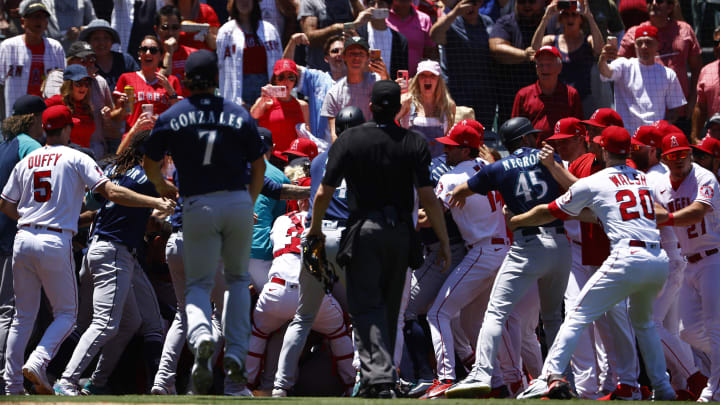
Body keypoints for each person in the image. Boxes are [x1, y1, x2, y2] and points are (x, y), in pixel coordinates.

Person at [0, 104, 174, 396]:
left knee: (23, 317)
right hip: (55, 240)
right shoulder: (75, 156)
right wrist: (155, 203)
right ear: (67, 128)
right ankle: (42, 363)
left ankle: (12, 383)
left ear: (45, 129)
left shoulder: (28, 160)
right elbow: (111, 192)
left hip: (23, 238)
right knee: (68, 315)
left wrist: (31, 220)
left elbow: (5, 205)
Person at [508, 126, 676, 401]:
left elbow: (549, 211)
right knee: (644, 325)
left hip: (627, 257)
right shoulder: (642, 178)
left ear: (602, 149)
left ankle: (549, 376)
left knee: (576, 315)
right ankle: (663, 387)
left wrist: (517, 220)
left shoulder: (596, 180)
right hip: (657, 260)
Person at [305, 80, 451, 398]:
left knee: (366, 308)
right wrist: (442, 240)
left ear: (371, 105)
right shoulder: (414, 142)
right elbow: (428, 198)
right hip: (401, 234)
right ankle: (383, 377)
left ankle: (378, 378)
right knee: (390, 309)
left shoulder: (351, 139)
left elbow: (322, 193)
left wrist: (315, 229)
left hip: (364, 232)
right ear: (399, 106)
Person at [143, 49, 267, 395]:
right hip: (237, 201)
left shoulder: (173, 114)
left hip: (196, 205)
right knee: (238, 282)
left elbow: (150, 161)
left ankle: (201, 338)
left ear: (185, 80)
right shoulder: (239, 114)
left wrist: (162, 186)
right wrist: (249, 202)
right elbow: (258, 167)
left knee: (197, 286)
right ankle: (236, 362)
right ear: (216, 79)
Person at [440, 116, 571, 398]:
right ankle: (555, 377)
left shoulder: (498, 167)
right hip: (561, 245)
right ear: (524, 139)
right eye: (532, 136)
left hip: (527, 245)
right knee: (552, 318)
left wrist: (461, 194)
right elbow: (574, 187)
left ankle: (482, 372)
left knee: (495, 313)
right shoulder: (550, 158)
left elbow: (462, 190)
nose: (536, 139)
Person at [52, 130, 165, 396]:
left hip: (99, 249)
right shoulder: (147, 175)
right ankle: (66, 380)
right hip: (114, 252)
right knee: (104, 323)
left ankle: (96, 382)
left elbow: (92, 204)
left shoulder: (115, 169)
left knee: (129, 321)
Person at [272, 106, 364, 398]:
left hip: (313, 239)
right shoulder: (367, 159)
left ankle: (279, 386)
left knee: (303, 317)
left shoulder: (319, 160)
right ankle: (362, 382)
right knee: (362, 314)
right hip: (345, 237)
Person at [422, 123, 510, 399]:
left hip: (483, 250)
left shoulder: (451, 177)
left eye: (451, 146)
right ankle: (496, 382)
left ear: (464, 149)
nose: (445, 149)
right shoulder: (487, 164)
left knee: (438, 313)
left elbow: (427, 220)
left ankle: (446, 378)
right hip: (501, 248)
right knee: (473, 322)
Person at [244, 183, 355, 395]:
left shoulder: (281, 220)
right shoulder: (326, 221)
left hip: (278, 290)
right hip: (313, 290)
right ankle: (352, 385)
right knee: (339, 330)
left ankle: (245, 385)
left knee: (258, 332)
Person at [652, 133, 720, 402]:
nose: (677, 160)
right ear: (663, 159)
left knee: (715, 327)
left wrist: (666, 218)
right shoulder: (659, 185)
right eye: (671, 156)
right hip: (689, 262)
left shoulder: (705, 178)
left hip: (715, 258)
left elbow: (698, 211)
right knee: (687, 331)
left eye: (681, 154)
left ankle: (713, 392)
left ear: (690, 154)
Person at [0, 95, 46, 391]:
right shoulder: (29, 146)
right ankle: (4, 376)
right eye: (42, 119)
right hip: (11, 235)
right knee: (9, 310)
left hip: (4, 232)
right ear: (33, 119)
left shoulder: (3, 142)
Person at [619, 0, 702, 136]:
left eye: (659, 1)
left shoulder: (684, 30)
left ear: (670, 7)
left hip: (680, 112)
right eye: (649, 1)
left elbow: (697, 68)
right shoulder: (636, 33)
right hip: (646, 114)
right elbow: (619, 65)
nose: (653, 3)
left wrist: (693, 99)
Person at [598, 25, 686, 135]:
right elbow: (606, 72)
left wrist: (662, 128)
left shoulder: (668, 74)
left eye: (648, 42)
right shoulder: (624, 65)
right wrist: (602, 60)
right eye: (639, 43)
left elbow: (675, 110)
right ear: (634, 45)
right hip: (627, 136)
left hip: (654, 137)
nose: (644, 47)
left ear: (657, 46)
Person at [43, 40, 117, 158]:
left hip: (94, 153)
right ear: (70, 61)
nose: (90, 63)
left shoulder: (99, 83)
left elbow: (112, 125)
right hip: (65, 153)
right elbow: (58, 108)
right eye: (84, 60)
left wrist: (110, 116)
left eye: (92, 59)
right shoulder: (58, 78)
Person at [429, 0, 494, 129]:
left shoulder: (487, 22)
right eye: (466, 3)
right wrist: (455, 13)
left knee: (483, 134)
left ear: (480, 3)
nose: (470, 7)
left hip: (484, 95)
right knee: (457, 132)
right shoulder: (450, 23)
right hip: (457, 92)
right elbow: (434, 36)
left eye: (474, 3)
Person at [532, 0, 603, 118]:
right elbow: (535, 49)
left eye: (574, 15)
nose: (570, 18)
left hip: (584, 100)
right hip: (559, 101)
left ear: (580, 19)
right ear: (560, 19)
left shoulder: (588, 40)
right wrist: (546, 17)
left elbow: (599, 49)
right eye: (566, 15)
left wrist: (590, 17)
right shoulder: (551, 40)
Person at [0, 0, 65, 119]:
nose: (39, 21)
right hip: (16, 116)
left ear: (46, 23)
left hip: (47, 115)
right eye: (35, 17)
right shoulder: (8, 46)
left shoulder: (56, 47)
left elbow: (63, 85)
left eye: (43, 17)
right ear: (23, 22)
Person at [216, 0, 282, 106]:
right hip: (239, 91)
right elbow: (222, 68)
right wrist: (234, 98)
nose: (244, 2)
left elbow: (279, 65)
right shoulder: (225, 31)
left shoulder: (270, 30)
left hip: (265, 89)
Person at [511, 45, 583, 143]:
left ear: (559, 67)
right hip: (533, 155)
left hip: (564, 154)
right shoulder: (523, 95)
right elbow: (515, 131)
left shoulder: (571, 95)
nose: (544, 69)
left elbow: (579, 129)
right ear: (536, 68)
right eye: (540, 65)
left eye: (549, 64)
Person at [489, 0, 546, 124]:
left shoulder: (552, 21)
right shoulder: (506, 23)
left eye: (532, 2)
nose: (527, 5)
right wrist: (525, 55)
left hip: (547, 101)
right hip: (511, 100)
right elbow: (495, 48)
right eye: (521, 2)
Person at [320, 36, 386, 142]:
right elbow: (334, 135)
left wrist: (385, 76)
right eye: (352, 53)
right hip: (347, 148)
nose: (356, 58)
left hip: (375, 145)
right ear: (344, 57)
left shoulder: (378, 82)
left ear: (367, 57)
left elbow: (390, 110)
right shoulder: (334, 93)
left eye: (361, 53)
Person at [114, 35, 182, 130]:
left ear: (161, 56)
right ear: (139, 55)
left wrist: (171, 92)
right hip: (134, 138)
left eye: (153, 50)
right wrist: (123, 108)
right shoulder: (126, 78)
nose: (148, 53)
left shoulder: (171, 81)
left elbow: (180, 115)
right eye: (144, 49)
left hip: (162, 137)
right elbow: (116, 119)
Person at [396, 59, 455, 157]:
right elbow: (392, 127)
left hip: (438, 167)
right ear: (417, 79)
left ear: (439, 80)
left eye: (432, 75)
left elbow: (448, 141)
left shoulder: (449, 105)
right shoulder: (407, 102)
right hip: (412, 163)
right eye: (423, 75)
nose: (427, 79)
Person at [250, 59, 310, 153]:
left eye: (291, 77)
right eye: (281, 77)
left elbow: (306, 135)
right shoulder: (267, 101)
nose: (286, 81)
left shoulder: (302, 105)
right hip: (272, 158)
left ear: (295, 81)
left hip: (292, 159)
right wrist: (263, 99)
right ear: (274, 80)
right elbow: (254, 114)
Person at [298, 0, 363, 70]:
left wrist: (355, 2)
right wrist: (335, 28)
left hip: (349, 71)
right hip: (320, 71)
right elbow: (309, 38)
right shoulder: (309, 2)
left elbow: (364, 25)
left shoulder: (350, 2)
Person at [79, 19, 139, 95]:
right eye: (96, 38)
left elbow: (139, 84)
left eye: (106, 38)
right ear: (89, 42)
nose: (102, 43)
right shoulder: (84, 64)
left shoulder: (126, 60)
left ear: (112, 41)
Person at [44, 64, 95, 149]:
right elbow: (36, 114)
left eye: (86, 83)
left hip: (84, 156)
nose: (83, 87)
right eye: (78, 83)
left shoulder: (86, 106)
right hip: (64, 156)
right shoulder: (57, 101)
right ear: (69, 85)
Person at [355, 0, 409, 81]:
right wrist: (357, 22)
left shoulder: (400, 40)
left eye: (381, 3)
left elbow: (403, 75)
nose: (376, 7)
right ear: (367, 6)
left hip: (388, 91)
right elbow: (343, 34)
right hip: (362, 90)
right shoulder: (359, 33)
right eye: (372, 3)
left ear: (389, 7)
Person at [155, 5, 198, 99]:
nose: (170, 33)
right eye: (165, 28)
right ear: (156, 29)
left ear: (180, 28)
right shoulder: (151, 55)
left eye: (175, 27)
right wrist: (169, 54)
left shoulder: (192, 55)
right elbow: (160, 83)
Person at [386, 0, 436, 76]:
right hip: (387, 79)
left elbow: (430, 53)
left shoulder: (424, 19)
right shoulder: (383, 18)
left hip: (416, 81)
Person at [692, 26, 720, 144]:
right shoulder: (706, 70)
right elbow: (700, 107)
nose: (719, 46)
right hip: (714, 140)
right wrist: (694, 136)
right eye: (716, 43)